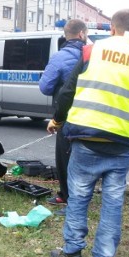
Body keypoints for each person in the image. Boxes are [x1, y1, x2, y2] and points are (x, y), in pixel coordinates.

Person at [47, 9, 129, 257]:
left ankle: (72, 253)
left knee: (79, 196)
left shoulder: (91, 51)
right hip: (122, 143)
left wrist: (58, 121)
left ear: (112, 29)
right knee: (113, 200)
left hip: (87, 137)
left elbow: (67, 92)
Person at [38, 19, 88, 215]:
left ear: (66, 35)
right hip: (92, 113)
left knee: (65, 156)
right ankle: (77, 195)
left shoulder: (60, 57)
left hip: (67, 113)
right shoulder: (93, 55)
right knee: (85, 156)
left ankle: (68, 198)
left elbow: (45, 87)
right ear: (82, 34)